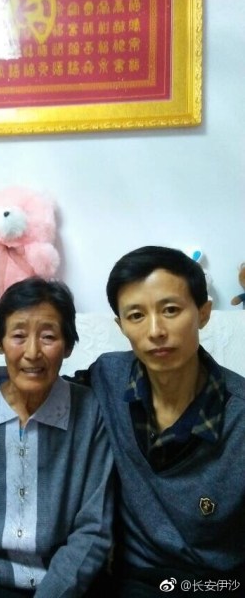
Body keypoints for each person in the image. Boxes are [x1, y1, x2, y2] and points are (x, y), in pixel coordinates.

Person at [0, 277, 114, 598]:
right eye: (18, 335)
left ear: (68, 346)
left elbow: (93, 529)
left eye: (48, 336)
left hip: (71, 585)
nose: (32, 352)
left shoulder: (90, 411)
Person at [86, 246, 245, 597]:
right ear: (121, 326)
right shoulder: (107, 378)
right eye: (136, 315)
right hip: (131, 581)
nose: (155, 330)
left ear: (203, 313)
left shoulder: (239, 417)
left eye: (170, 310)